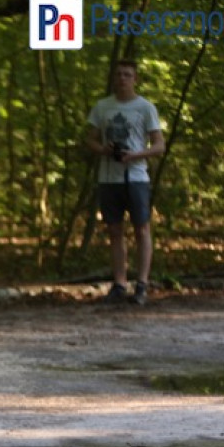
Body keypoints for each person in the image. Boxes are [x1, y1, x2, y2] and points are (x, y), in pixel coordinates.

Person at [86, 59, 165, 306]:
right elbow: (89, 140)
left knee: (142, 229)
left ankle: (141, 284)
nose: (122, 78)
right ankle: (119, 284)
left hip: (137, 176)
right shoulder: (102, 107)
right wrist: (104, 150)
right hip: (109, 177)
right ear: (114, 78)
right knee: (114, 230)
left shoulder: (145, 108)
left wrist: (135, 155)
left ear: (135, 78)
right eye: (119, 74)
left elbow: (159, 146)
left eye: (127, 75)